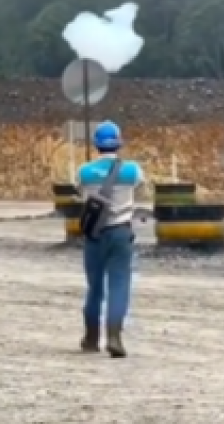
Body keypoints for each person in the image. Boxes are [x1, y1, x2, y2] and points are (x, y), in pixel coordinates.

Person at [76, 120, 145, 358]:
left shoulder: (84, 171)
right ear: (119, 142)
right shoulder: (132, 171)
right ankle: (114, 336)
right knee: (119, 286)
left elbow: (80, 192)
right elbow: (140, 185)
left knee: (94, 287)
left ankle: (91, 337)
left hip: (94, 234)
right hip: (121, 233)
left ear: (96, 145)